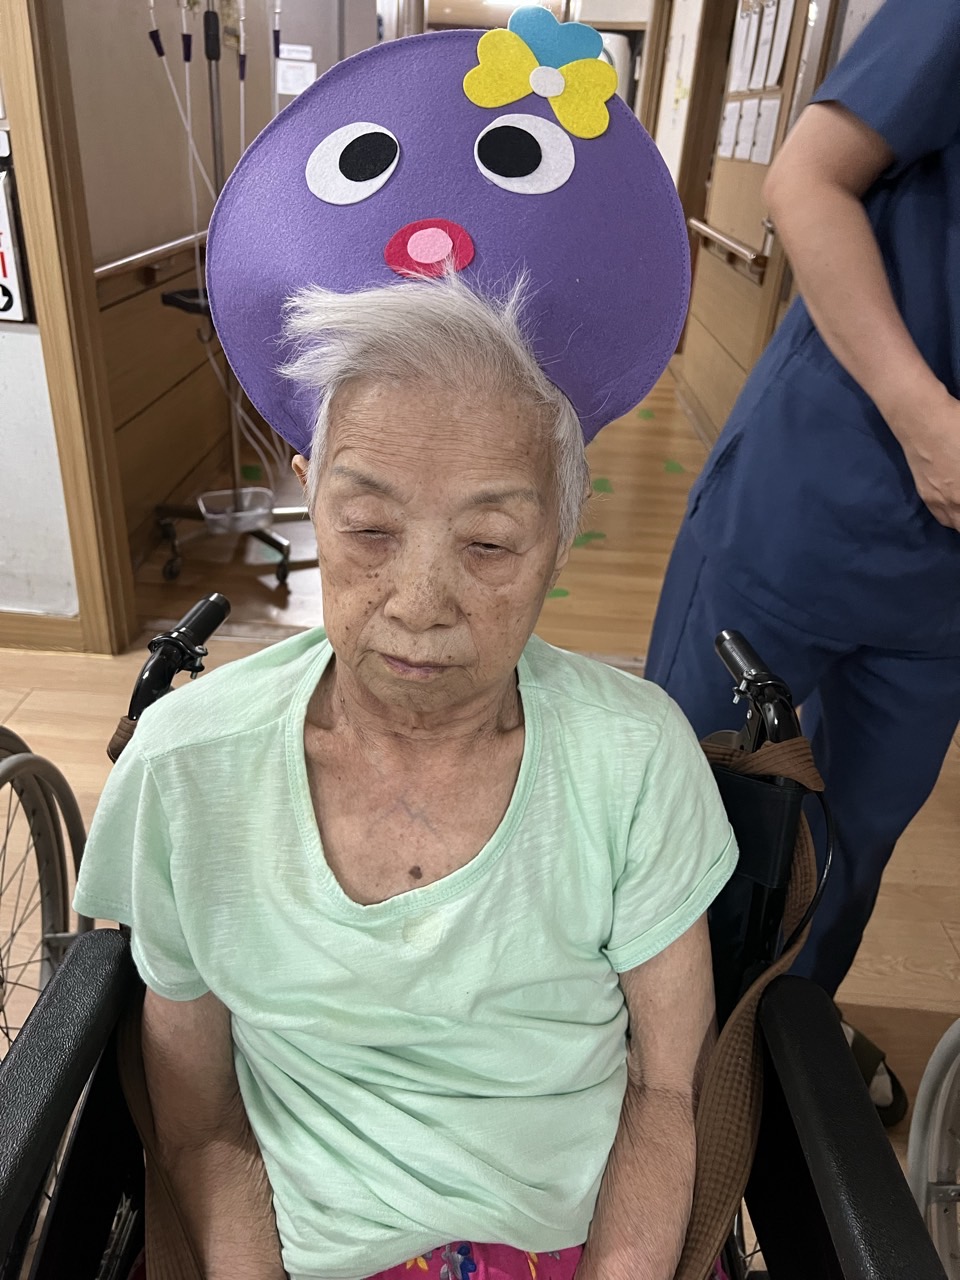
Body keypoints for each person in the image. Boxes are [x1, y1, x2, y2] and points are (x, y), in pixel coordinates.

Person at [75, 11, 736, 1279]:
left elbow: (666, 1092)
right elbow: (200, 1126)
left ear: (562, 535)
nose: (421, 602)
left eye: (489, 543)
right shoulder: (189, 767)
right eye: (370, 527)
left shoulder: (635, 759)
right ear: (309, 495)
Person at [646, 0, 960, 1124]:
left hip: (941, 592)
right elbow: (805, 179)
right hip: (819, 489)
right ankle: (633, 1049)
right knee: (686, 795)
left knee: (855, 841)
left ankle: (781, 1040)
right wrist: (925, 419)